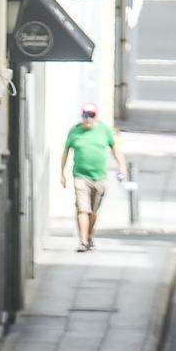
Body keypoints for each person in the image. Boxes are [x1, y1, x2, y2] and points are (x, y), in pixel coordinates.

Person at [60, 102, 126, 252]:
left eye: (91, 115)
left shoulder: (104, 130)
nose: (88, 119)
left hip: (99, 177)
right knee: (83, 209)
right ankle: (83, 241)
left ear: (96, 116)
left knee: (93, 212)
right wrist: (62, 173)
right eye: (85, 115)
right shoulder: (75, 132)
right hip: (80, 176)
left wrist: (121, 166)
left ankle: (89, 236)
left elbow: (115, 149)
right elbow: (65, 152)